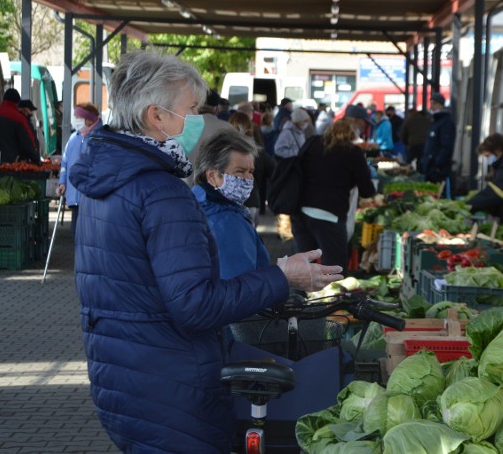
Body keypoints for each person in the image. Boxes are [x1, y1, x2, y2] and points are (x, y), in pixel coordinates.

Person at [68, 51, 343, 453]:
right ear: (156, 116)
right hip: (170, 385)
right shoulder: (160, 193)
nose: (198, 120)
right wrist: (283, 277)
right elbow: (195, 305)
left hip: (124, 374)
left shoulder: (107, 181)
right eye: (192, 109)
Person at [291, 119, 377, 267]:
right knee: (334, 269)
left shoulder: (312, 142)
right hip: (329, 215)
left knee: (304, 265)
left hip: (300, 212)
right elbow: (367, 190)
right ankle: (329, 290)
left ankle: (297, 291)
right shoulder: (353, 152)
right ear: (351, 136)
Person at [191, 128, 274, 279]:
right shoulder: (226, 221)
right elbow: (243, 286)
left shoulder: (195, 202)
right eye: (240, 172)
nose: (248, 178)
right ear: (213, 176)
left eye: (251, 171)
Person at [55, 103, 101, 235]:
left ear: (89, 119)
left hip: (92, 198)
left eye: (78, 117)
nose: (75, 120)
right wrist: (62, 182)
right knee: (76, 232)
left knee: (90, 235)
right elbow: (65, 163)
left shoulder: (101, 137)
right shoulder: (73, 138)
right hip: (75, 197)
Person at [228, 111, 275, 226]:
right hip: (252, 200)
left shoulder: (223, 149)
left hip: (228, 200)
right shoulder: (258, 151)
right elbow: (275, 170)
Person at [0, 88, 40, 171]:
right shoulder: (19, 119)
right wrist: (37, 161)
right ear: (17, 103)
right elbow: (28, 143)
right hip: (9, 168)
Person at [184, 89, 233, 185]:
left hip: (186, 187)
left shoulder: (181, 127)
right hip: (216, 188)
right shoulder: (228, 129)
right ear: (217, 108)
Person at [419, 92, 456, 183]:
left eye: (434, 104)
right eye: (431, 103)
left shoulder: (446, 122)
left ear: (440, 105)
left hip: (437, 169)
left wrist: (437, 164)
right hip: (430, 165)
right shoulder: (435, 122)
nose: (431, 107)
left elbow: (447, 146)